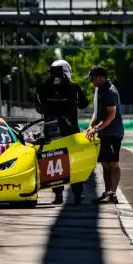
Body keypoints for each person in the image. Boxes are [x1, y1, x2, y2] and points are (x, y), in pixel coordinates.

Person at [34, 59, 89, 204]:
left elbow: (38, 108)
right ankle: (78, 194)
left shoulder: (42, 87)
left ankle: (58, 194)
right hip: (71, 130)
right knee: (75, 161)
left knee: (53, 163)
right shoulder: (74, 87)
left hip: (51, 130)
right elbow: (84, 104)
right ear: (66, 71)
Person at [85, 66, 124, 205]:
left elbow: (111, 115)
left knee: (113, 164)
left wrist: (95, 128)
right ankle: (107, 191)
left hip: (114, 133)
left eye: (93, 78)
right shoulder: (98, 89)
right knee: (105, 164)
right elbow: (96, 112)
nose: (91, 81)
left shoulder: (110, 91)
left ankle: (113, 193)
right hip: (103, 133)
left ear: (101, 77)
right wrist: (91, 125)